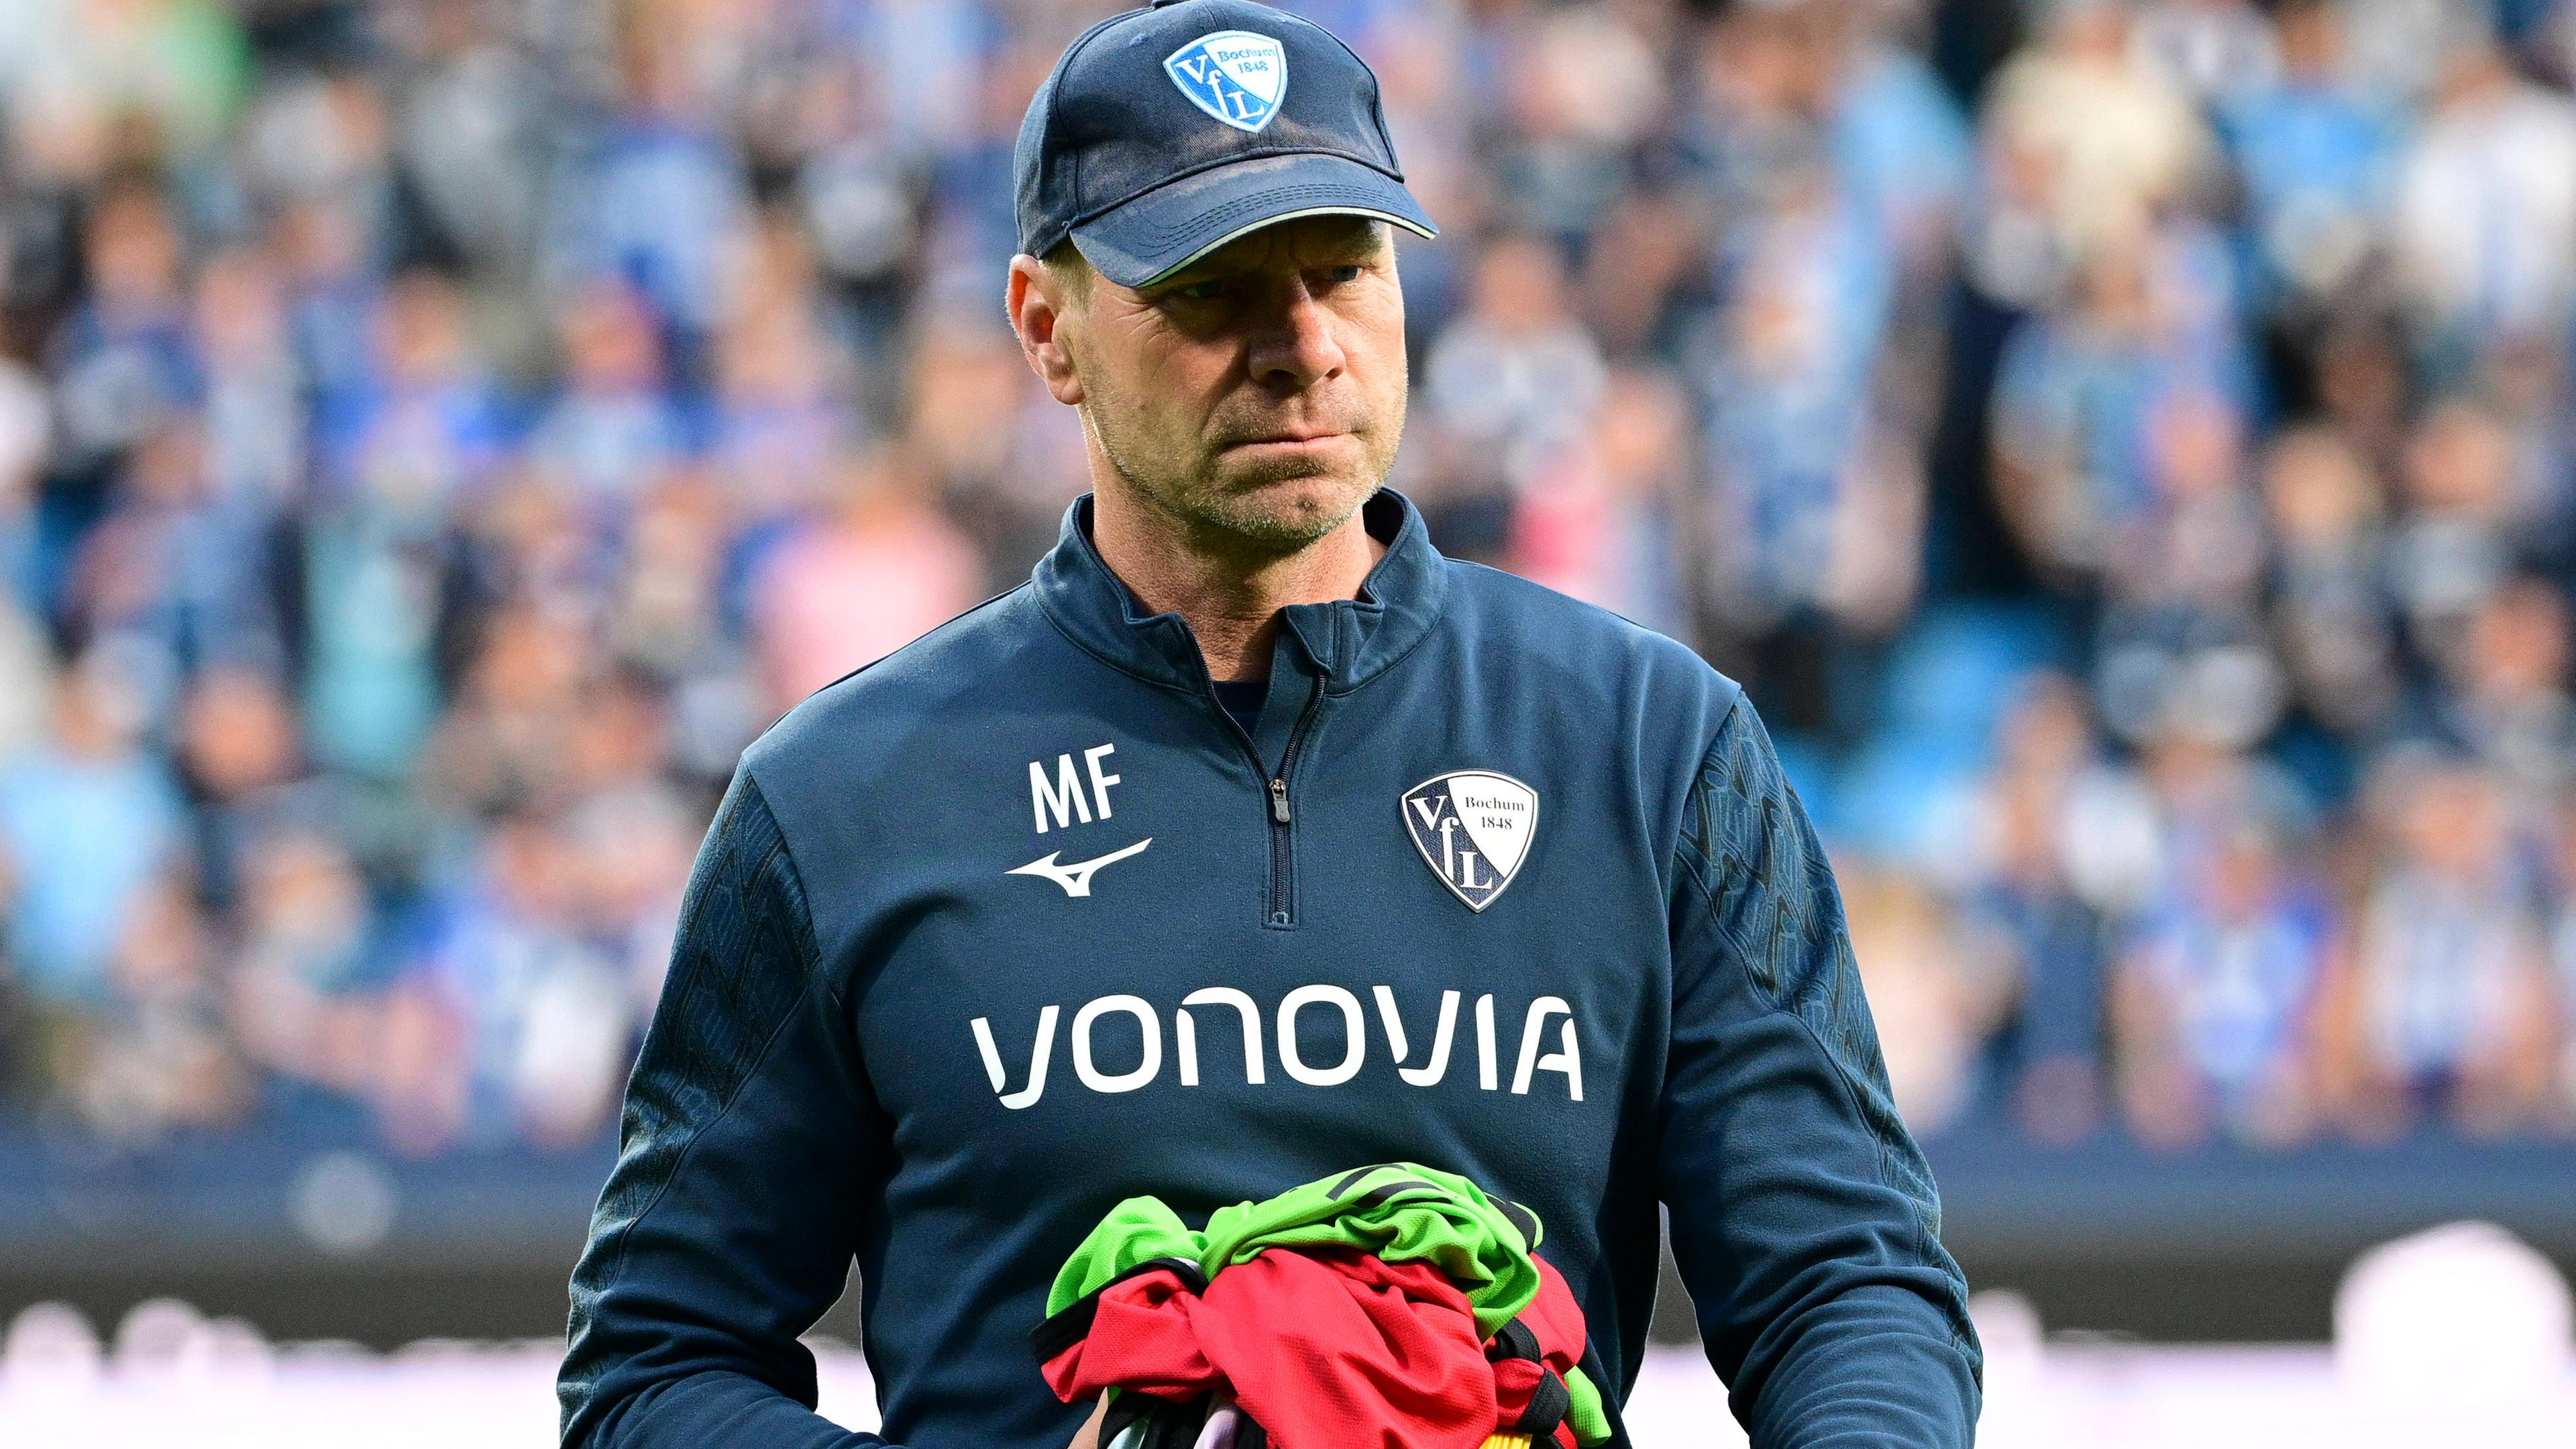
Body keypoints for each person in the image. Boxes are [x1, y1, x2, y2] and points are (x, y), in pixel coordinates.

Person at [555, 3, 1980, 1448]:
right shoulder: (840, 798)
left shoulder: (1654, 746)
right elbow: (654, 1369)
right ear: (1047, 329)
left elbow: (1848, 1286)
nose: (1302, 345)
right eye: (1212, 288)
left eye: (1344, 269)